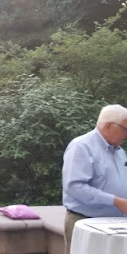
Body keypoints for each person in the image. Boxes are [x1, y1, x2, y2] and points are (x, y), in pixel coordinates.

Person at [62, 104, 127, 254]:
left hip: (116, 225)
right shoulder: (81, 146)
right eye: (125, 129)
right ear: (109, 125)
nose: (126, 134)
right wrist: (116, 201)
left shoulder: (119, 151)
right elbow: (75, 187)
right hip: (86, 223)